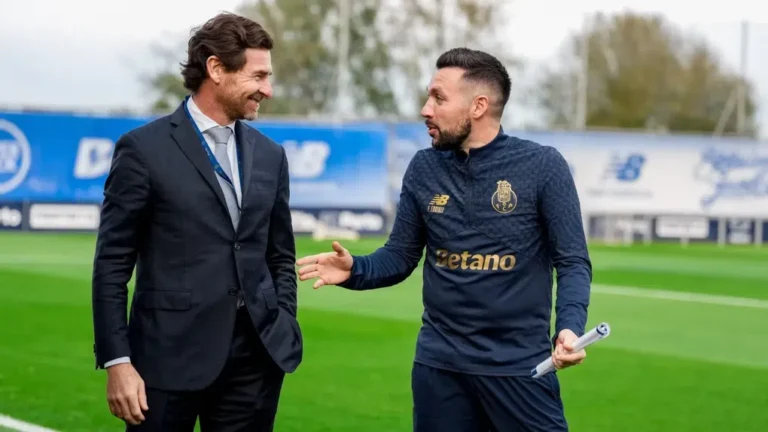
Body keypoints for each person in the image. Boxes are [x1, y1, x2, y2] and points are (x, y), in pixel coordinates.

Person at [296, 47, 592, 431]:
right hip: (439, 370)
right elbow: (400, 256)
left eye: (438, 98)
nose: (426, 109)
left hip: (520, 369)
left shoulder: (542, 166)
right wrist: (355, 269)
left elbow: (572, 261)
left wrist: (569, 327)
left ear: (478, 106)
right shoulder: (424, 167)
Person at [91, 12, 302, 431]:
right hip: (166, 360)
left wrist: (283, 321)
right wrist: (117, 360)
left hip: (255, 361)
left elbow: (279, 255)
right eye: (259, 76)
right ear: (216, 69)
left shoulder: (270, 155)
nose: (268, 90)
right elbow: (112, 264)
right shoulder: (143, 150)